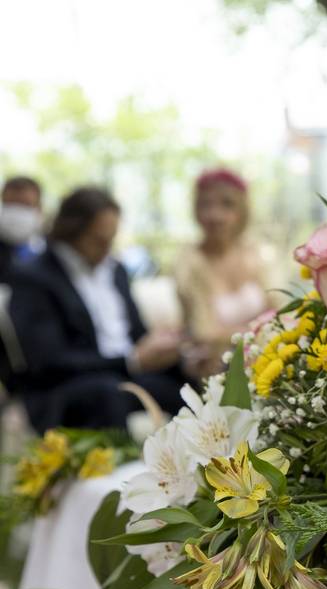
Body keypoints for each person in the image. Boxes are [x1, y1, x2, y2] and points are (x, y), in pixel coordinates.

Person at [9, 187, 188, 430]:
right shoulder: (34, 277)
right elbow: (49, 361)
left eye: (111, 239)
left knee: (185, 380)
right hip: (67, 388)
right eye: (99, 240)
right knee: (107, 394)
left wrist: (165, 346)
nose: (107, 248)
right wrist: (130, 361)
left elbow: (137, 334)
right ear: (72, 230)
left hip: (124, 378)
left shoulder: (116, 271)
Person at [174, 169, 271, 376]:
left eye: (227, 204)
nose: (215, 215)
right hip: (216, 368)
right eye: (205, 205)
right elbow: (204, 333)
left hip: (264, 359)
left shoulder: (257, 254)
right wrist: (259, 330)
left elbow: (280, 314)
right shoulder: (189, 262)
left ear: (242, 210)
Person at [0, 176, 45, 283]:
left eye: (25, 205)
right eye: (11, 205)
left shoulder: (47, 253)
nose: (17, 213)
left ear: (39, 209)